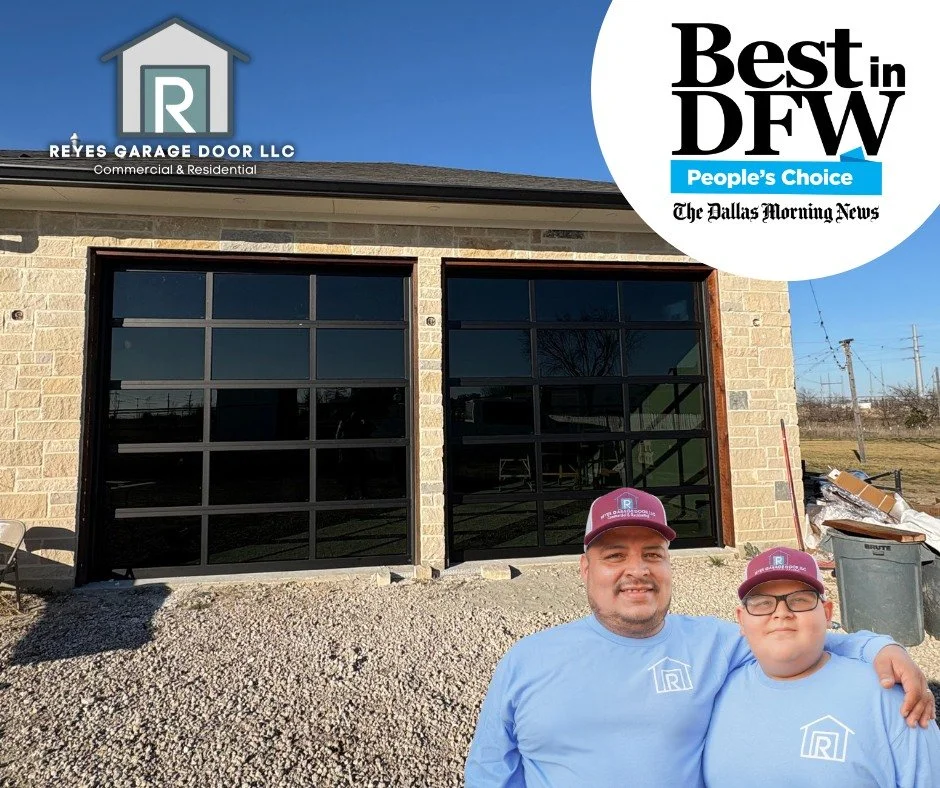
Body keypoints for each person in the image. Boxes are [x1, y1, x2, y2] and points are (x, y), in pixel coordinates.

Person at [464, 488, 935, 788]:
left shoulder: (713, 644)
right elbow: (490, 771)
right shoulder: (527, 661)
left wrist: (879, 646)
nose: (637, 570)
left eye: (653, 553)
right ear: (585, 569)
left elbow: (789, 636)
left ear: (669, 566)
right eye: (614, 555)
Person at [703, 546, 940, 787]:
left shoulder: (890, 696)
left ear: (827, 614)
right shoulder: (715, 692)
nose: (781, 613)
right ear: (741, 619)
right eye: (762, 603)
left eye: (799, 600)